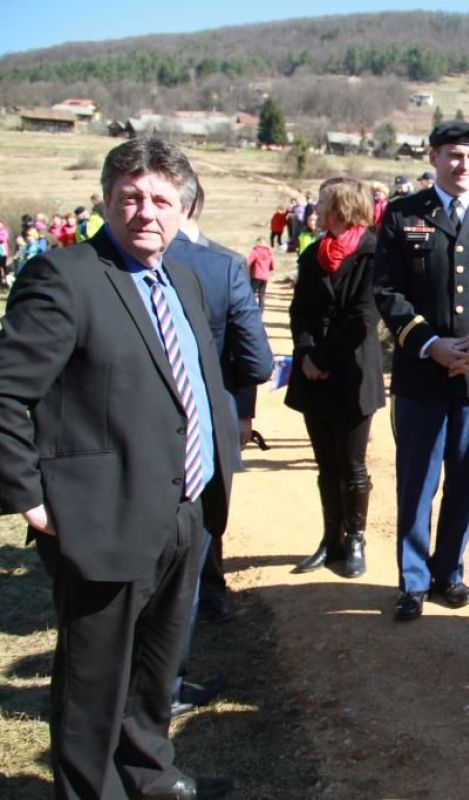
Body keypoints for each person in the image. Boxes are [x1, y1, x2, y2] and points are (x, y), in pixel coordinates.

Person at [0, 137, 237, 799]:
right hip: (102, 514)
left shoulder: (183, 280)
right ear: (107, 201)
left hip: (185, 509)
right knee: (94, 680)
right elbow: (7, 391)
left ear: (183, 208)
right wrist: (28, 494)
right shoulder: (64, 277)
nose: (146, 212)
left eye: (161, 199)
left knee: (156, 670)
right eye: (130, 197)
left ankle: (149, 777)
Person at [374, 120, 469, 621]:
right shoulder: (403, 214)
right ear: (434, 158)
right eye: (453, 155)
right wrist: (429, 344)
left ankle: (449, 572)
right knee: (417, 481)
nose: (463, 165)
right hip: (422, 373)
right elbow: (387, 290)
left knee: (467, 482)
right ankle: (413, 580)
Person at [165, 174, 273, 716]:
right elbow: (254, 360)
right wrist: (244, 411)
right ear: (197, 204)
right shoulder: (222, 265)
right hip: (207, 416)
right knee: (199, 532)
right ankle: (168, 680)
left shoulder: (95, 262)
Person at [287, 178, 387, 579]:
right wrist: (307, 354)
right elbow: (300, 311)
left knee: (352, 464)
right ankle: (331, 540)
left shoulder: (375, 253)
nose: (316, 207)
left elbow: (364, 317)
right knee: (326, 464)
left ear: (342, 207)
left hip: (353, 372)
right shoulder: (313, 253)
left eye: (323, 201)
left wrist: (324, 357)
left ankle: (356, 540)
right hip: (314, 373)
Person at [246, 235, 276, 310]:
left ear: (258, 242)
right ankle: (261, 309)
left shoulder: (255, 251)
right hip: (265, 276)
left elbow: (249, 261)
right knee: (262, 294)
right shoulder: (269, 252)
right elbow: (272, 264)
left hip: (256, 275)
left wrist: (247, 269)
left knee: (251, 292)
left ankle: (251, 308)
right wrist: (269, 269)